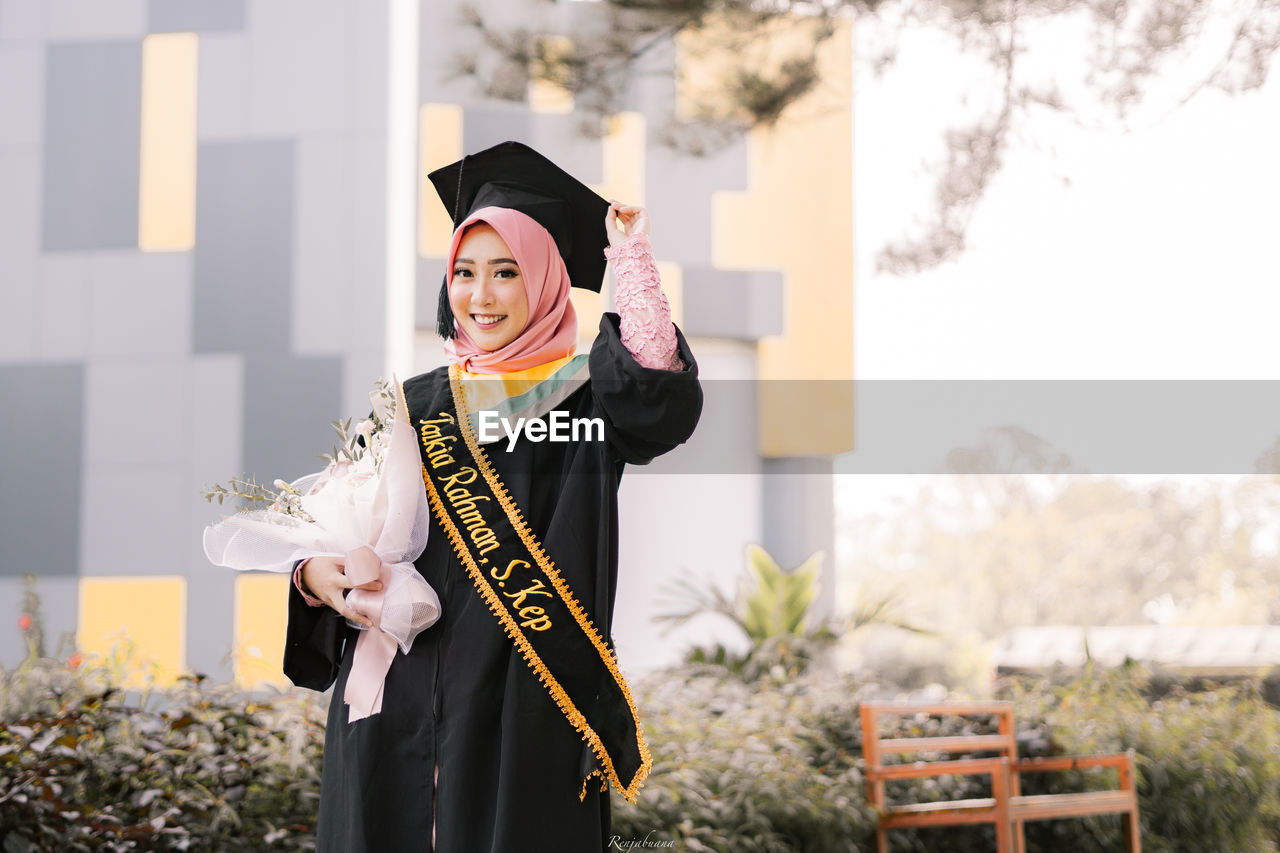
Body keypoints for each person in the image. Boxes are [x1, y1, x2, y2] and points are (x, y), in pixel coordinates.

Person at [282, 141, 702, 852]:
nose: (479, 296)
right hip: (394, 702)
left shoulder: (583, 402)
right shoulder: (410, 406)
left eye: (506, 272)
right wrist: (317, 577)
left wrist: (628, 260)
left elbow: (654, 389)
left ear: (543, 283)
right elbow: (332, 536)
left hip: (521, 704)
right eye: (465, 273)